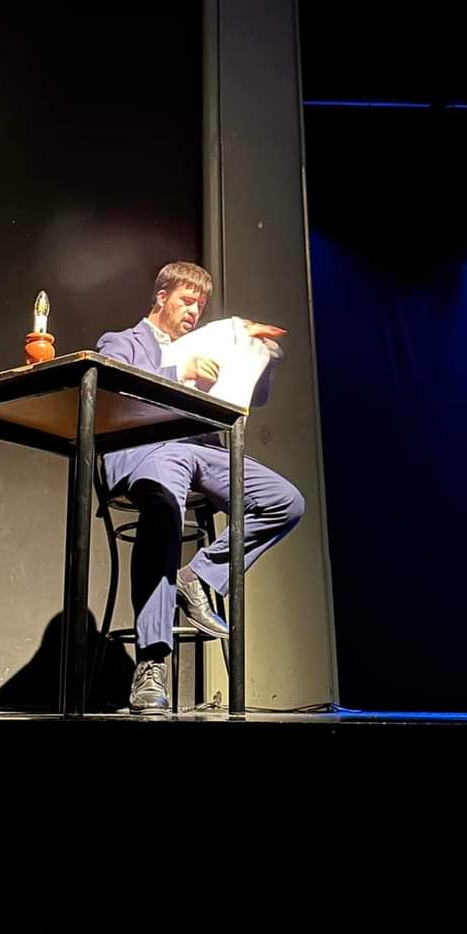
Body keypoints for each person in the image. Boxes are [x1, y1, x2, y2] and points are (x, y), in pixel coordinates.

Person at [96, 261, 304, 713]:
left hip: (198, 449)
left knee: (285, 502)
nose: (194, 311)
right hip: (149, 449)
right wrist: (181, 371)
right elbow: (115, 391)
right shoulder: (122, 342)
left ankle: (197, 576)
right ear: (161, 298)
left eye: (200, 305)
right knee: (164, 506)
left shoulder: (206, 343)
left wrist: (259, 356)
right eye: (186, 301)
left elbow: (253, 395)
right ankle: (152, 662)